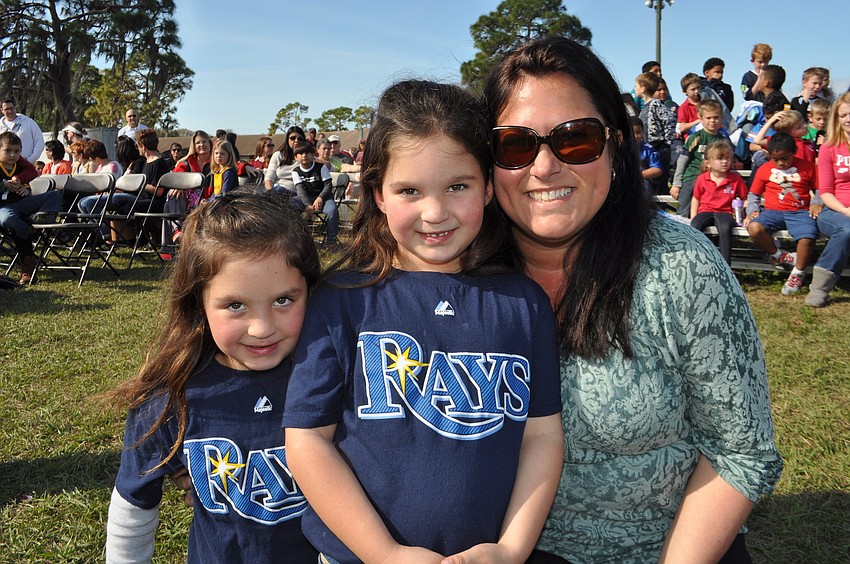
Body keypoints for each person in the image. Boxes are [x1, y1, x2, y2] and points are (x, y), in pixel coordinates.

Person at [483, 36, 782, 562]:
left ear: (616, 146)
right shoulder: (457, 270)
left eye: (576, 138)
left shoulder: (680, 265)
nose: (545, 167)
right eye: (515, 145)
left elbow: (740, 451)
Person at [283, 79, 563, 564]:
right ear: (378, 194)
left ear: (488, 187)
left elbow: (541, 436)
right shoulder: (342, 301)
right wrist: (385, 553)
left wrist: (512, 549)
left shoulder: (523, 303)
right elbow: (307, 440)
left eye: (457, 186)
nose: (435, 212)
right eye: (409, 190)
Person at [105, 191, 321, 564]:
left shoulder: (335, 378)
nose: (262, 328)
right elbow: (133, 507)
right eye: (235, 305)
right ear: (199, 302)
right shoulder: (169, 400)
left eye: (283, 300)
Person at [745, 132, 819, 296]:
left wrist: (816, 202)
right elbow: (754, 194)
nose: (780, 163)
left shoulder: (808, 167)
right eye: (775, 159)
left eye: (785, 158)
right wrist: (752, 210)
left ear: (794, 152)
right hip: (772, 212)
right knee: (754, 228)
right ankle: (780, 255)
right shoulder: (764, 169)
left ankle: (797, 273)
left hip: (799, 212)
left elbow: (819, 189)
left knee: (808, 236)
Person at [0, 131, 62, 284]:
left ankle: (43, 217)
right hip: (4, 207)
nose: (13, 155)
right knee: (9, 219)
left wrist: (23, 187)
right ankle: (28, 260)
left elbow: (31, 173)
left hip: (22, 203)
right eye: (8, 151)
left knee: (54, 195)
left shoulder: (20, 165)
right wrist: (3, 185)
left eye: (16, 151)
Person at [806, 93, 850, 307]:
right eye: (843, 115)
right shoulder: (829, 148)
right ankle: (820, 287)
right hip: (833, 210)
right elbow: (825, 191)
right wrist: (846, 211)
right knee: (847, 228)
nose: (848, 119)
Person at [690, 140, 749, 265]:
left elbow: (745, 198)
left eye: (727, 158)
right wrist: (693, 215)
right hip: (705, 210)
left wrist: (745, 215)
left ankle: (726, 263)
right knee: (695, 225)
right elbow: (696, 198)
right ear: (708, 163)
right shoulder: (702, 179)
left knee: (724, 227)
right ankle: (694, 258)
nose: (725, 162)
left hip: (725, 212)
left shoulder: (735, 179)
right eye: (720, 158)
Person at [671, 99, 731, 217]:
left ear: (721, 117)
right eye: (708, 118)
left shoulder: (723, 140)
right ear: (700, 117)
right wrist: (676, 183)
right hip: (693, 176)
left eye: (716, 117)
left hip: (712, 180)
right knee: (683, 211)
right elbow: (683, 160)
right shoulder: (696, 137)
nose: (712, 121)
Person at [289, 141, 339, 246]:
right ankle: (295, 239)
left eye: (307, 153)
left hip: (324, 198)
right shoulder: (296, 171)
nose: (304, 155)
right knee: (290, 205)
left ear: (313, 155)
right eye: (301, 153)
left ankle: (331, 241)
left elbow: (328, 186)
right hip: (306, 199)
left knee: (333, 210)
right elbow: (300, 190)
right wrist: (308, 205)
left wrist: (320, 198)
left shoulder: (321, 167)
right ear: (296, 157)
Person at [635, 71, 676, 195]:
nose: (635, 89)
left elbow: (669, 119)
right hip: (649, 148)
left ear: (643, 88)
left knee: (660, 183)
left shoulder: (655, 104)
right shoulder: (644, 108)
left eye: (636, 86)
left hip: (659, 148)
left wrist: (667, 141)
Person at [0, 98, 44, 164]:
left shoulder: (28, 122)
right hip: (4, 165)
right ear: (2, 110)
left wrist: (30, 160)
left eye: (11, 108)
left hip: (25, 163)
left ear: (15, 108)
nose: (10, 111)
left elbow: (39, 142)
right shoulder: (0, 125)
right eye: (6, 109)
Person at [264, 126, 304, 194]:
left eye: (300, 139)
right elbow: (269, 177)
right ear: (287, 139)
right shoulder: (278, 155)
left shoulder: (307, 157)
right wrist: (270, 191)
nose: (296, 140)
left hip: (297, 192)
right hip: (278, 190)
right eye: (292, 138)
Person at [631, 117, 662, 196]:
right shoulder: (620, 149)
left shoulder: (648, 149)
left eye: (638, 132)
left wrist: (638, 175)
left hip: (643, 180)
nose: (636, 136)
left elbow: (657, 169)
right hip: (624, 180)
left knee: (643, 188)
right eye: (632, 133)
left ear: (643, 132)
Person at [677, 73, 702, 141]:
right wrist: (700, 121)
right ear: (685, 92)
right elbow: (682, 127)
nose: (697, 91)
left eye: (698, 88)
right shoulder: (684, 107)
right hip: (693, 140)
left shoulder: (706, 103)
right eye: (693, 89)